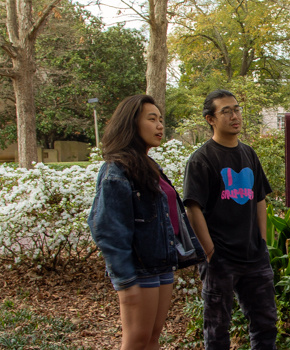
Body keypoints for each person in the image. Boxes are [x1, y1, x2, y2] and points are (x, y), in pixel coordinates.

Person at [88, 95, 205, 350]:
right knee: (136, 340)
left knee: (152, 338)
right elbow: (107, 229)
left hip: (161, 263)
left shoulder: (149, 165)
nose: (160, 126)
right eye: (152, 119)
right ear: (131, 124)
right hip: (138, 269)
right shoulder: (116, 169)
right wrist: (125, 280)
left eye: (161, 119)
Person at [183, 89, 277, 350]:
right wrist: (210, 251)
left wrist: (261, 240)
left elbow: (259, 199)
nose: (235, 116)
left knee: (266, 323)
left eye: (236, 109)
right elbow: (193, 207)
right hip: (220, 259)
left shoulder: (248, 153)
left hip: (254, 256)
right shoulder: (201, 160)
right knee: (217, 329)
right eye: (226, 111)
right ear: (210, 119)